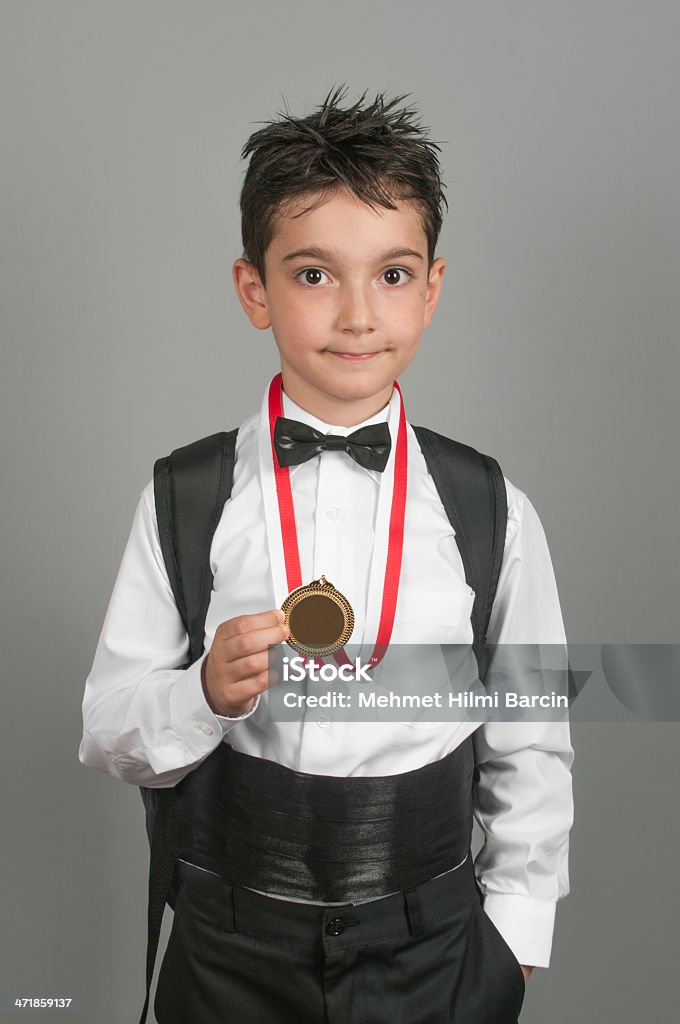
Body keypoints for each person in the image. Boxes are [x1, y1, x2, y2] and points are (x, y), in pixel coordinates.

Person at [80, 87, 574, 1024]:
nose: (356, 315)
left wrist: (511, 947)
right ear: (253, 290)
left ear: (431, 289)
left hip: (434, 949)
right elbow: (107, 726)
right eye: (314, 275)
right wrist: (201, 694)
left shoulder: (491, 509)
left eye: (391, 275)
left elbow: (532, 738)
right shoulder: (186, 499)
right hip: (230, 943)